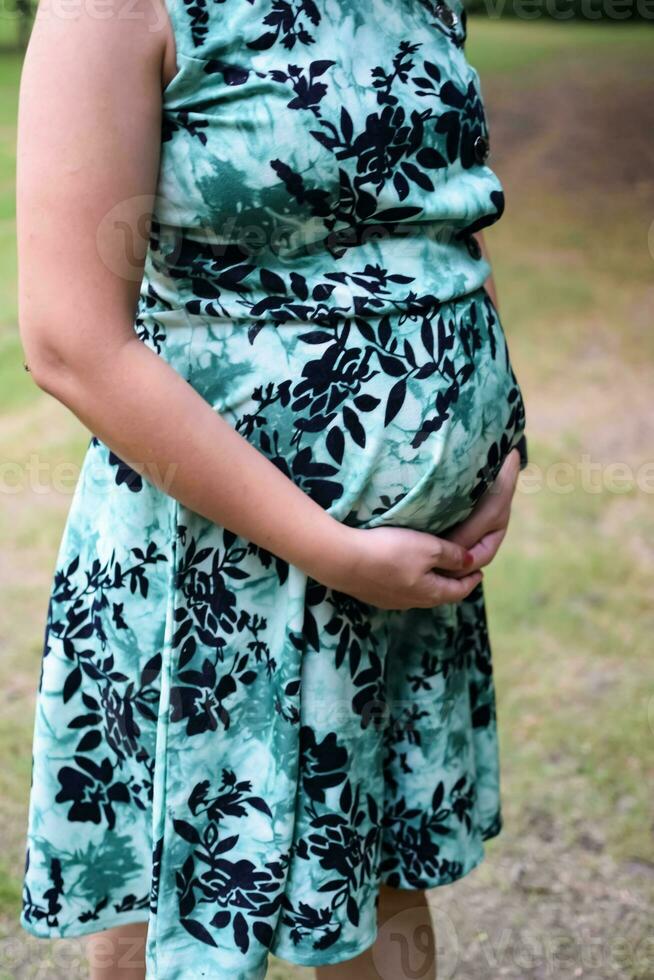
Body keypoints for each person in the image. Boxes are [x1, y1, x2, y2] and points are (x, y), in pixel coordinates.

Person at [16, 0, 528, 976]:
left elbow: (446, 219)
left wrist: (503, 442)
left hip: (400, 574)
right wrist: (328, 547)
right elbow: (69, 342)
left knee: (375, 864)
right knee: (181, 890)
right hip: (215, 555)